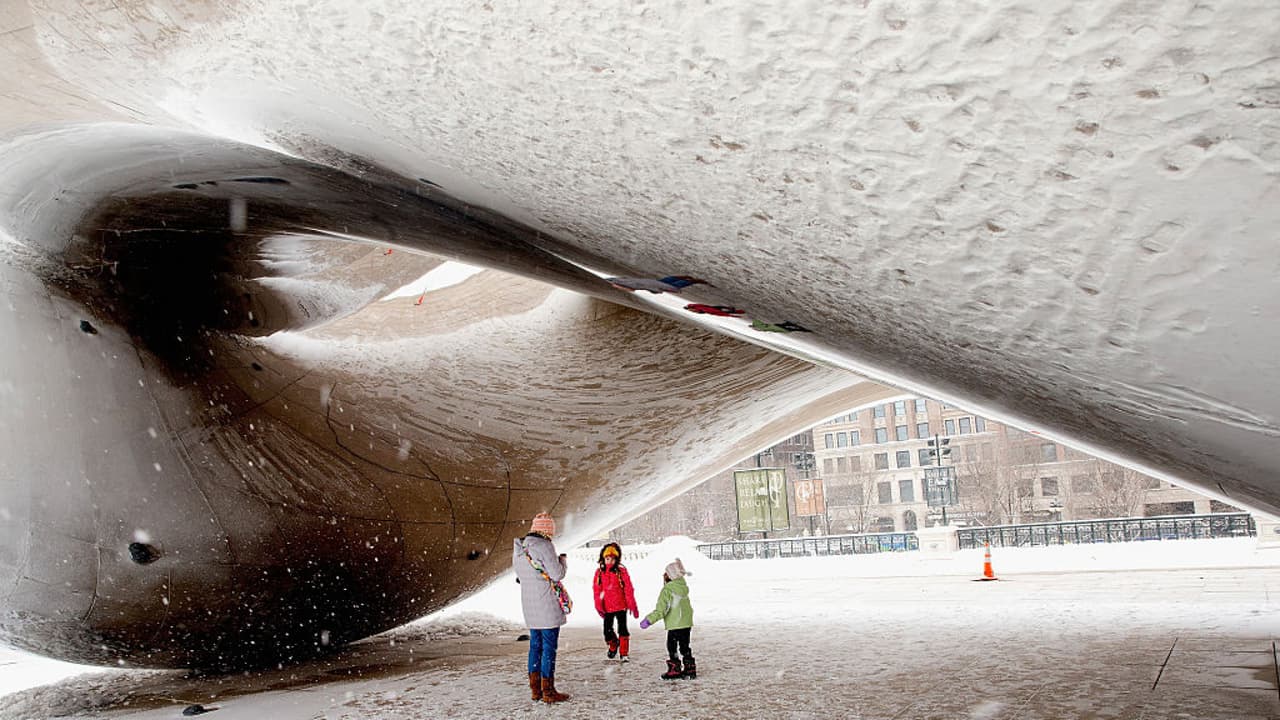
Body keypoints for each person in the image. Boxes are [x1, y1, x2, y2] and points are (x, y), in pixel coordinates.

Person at [513, 512, 571, 703]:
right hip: (546, 605)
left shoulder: (519, 548)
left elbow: (521, 577)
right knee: (548, 648)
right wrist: (562, 561)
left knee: (535, 647)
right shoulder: (544, 546)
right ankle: (548, 691)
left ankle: (535, 690)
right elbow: (556, 574)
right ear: (546, 531)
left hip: (529, 606)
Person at [638, 557, 696, 679]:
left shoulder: (668, 590)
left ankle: (674, 669)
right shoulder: (683, 588)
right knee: (685, 646)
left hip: (675, 624)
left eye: (666, 573)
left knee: (672, 646)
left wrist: (649, 620)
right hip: (686, 624)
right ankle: (690, 668)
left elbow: (661, 610)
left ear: (670, 576)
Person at [592, 542, 639, 661]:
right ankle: (613, 644)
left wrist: (632, 604)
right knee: (607, 631)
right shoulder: (599, 573)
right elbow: (597, 590)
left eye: (612, 559)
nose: (610, 561)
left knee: (622, 629)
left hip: (621, 606)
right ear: (603, 558)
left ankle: (624, 653)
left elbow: (628, 588)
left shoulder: (621, 571)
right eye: (607, 558)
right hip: (607, 607)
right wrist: (598, 604)